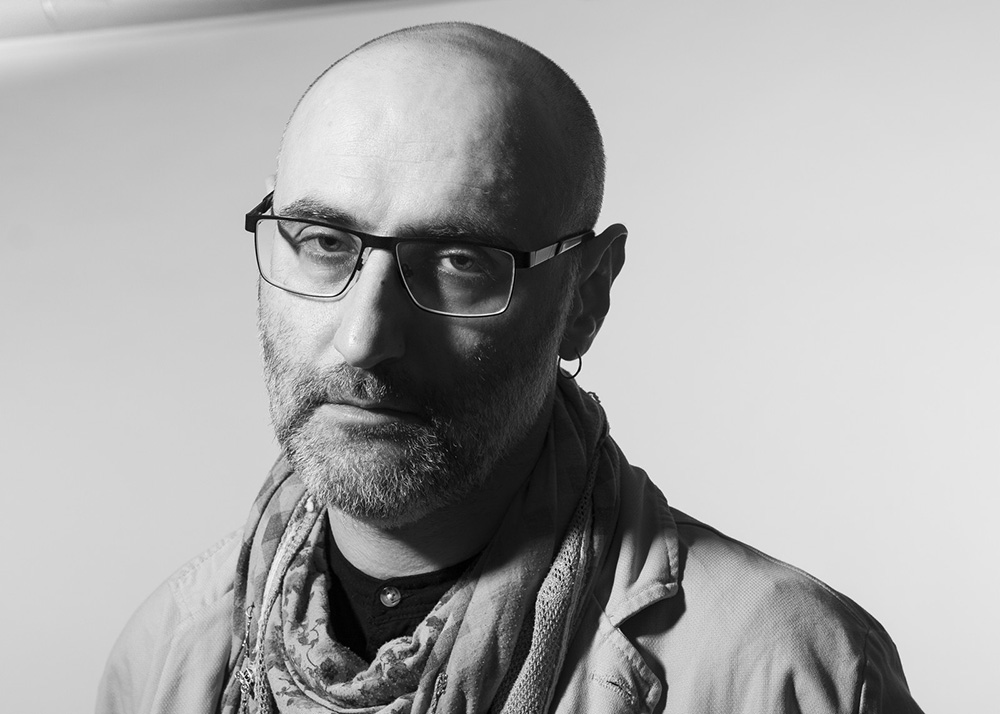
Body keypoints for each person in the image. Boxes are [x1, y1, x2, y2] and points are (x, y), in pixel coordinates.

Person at [97, 21, 923, 714]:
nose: (363, 337)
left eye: (459, 260)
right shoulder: (163, 654)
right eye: (323, 242)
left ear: (586, 295)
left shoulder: (790, 672)